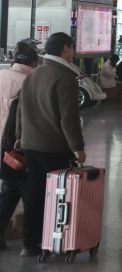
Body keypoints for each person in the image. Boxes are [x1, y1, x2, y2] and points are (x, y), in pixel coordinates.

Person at [14, 33, 86, 257]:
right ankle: (55, 240)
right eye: (72, 48)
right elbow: (69, 119)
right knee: (58, 196)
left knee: (35, 195)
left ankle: (30, 244)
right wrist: (78, 147)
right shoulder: (65, 78)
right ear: (66, 48)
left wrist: (19, 136)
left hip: (30, 145)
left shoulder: (34, 74)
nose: (73, 52)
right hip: (54, 148)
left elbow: (20, 108)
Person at [0, 41, 38, 250]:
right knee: (28, 191)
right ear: (33, 62)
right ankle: (31, 241)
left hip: (2, 143)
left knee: (10, 189)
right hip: (17, 144)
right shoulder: (31, 82)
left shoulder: (2, 75)